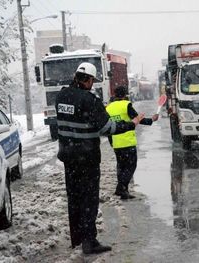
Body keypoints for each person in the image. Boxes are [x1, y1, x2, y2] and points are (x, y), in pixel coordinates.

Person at [55, 62, 144, 254]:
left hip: (68, 158)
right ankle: (89, 242)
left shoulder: (61, 96)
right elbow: (107, 128)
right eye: (92, 81)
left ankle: (76, 238)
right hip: (86, 159)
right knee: (89, 199)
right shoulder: (90, 100)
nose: (92, 84)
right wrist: (131, 124)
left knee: (74, 198)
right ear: (87, 80)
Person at [106, 86, 159, 199]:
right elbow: (137, 119)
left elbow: (108, 126)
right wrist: (151, 120)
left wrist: (111, 142)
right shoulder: (126, 105)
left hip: (116, 142)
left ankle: (121, 189)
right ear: (125, 95)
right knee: (131, 166)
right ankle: (122, 188)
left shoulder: (108, 107)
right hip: (127, 142)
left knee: (121, 166)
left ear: (115, 95)